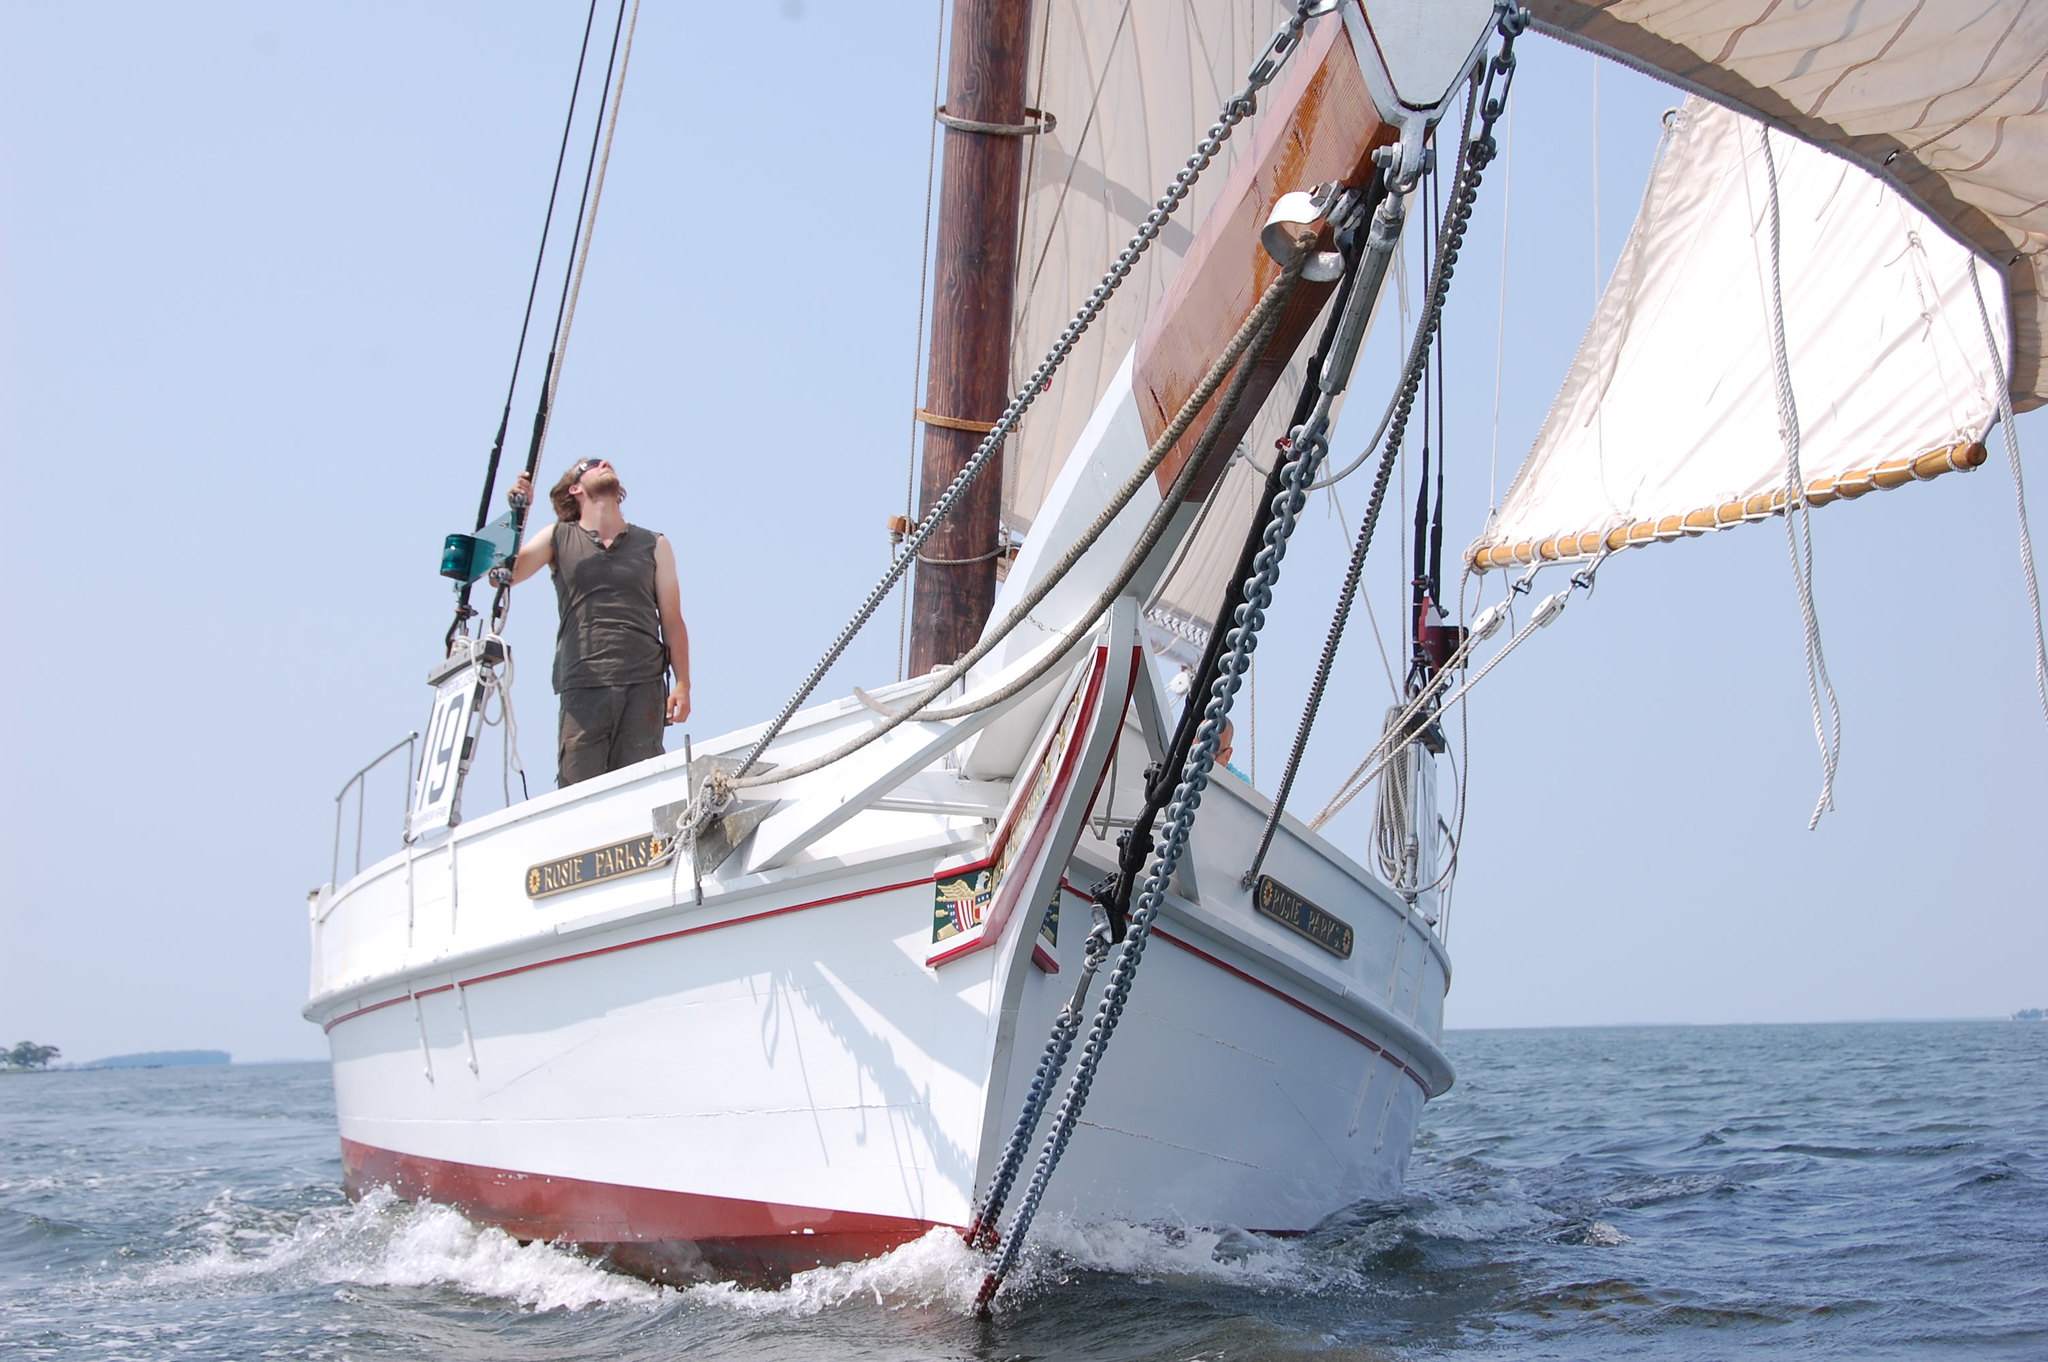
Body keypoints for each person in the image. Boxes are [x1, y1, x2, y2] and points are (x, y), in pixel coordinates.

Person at [499, 458, 691, 787]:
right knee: (579, 790)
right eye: (590, 464)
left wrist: (683, 684)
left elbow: (672, 620)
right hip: (583, 684)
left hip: (643, 685)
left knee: (642, 790)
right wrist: (516, 517)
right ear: (574, 488)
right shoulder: (558, 537)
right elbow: (505, 576)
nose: (605, 463)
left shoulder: (655, 544)